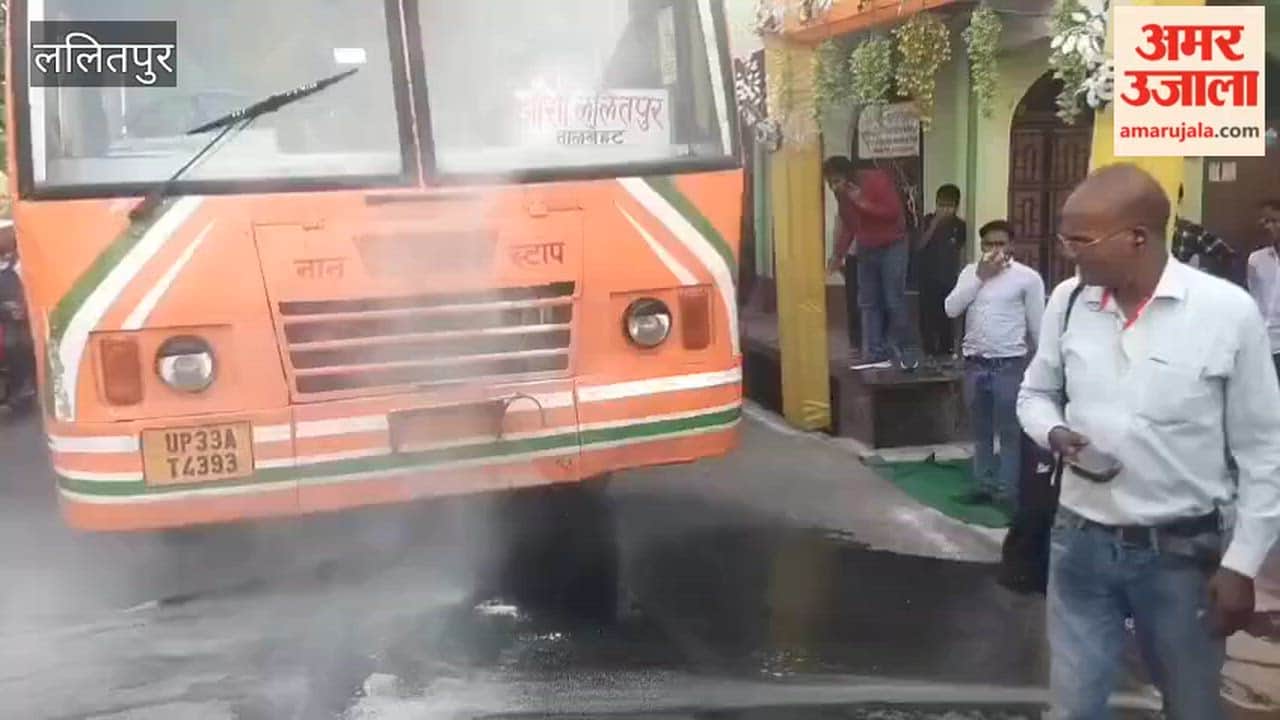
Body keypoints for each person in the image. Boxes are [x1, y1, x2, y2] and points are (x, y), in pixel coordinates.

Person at [1017, 163, 1280, 720]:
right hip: (1079, 545)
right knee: (1073, 710)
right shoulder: (1068, 303)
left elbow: (1264, 450)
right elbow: (1034, 395)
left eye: (1081, 240)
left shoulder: (1225, 312)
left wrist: (1242, 565)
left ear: (1138, 237)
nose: (1069, 253)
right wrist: (1055, 432)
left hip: (1182, 558)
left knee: (1191, 708)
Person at [944, 220, 1045, 510]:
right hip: (975, 364)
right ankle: (983, 484)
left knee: (1009, 431)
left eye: (1000, 244)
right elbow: (951, 308)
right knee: (980, 430)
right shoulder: (970, 273)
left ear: (1011, 246)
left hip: (1008, 365)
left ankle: (1006, 490)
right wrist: (979, 277)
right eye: (988, 244)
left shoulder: (1027, 279)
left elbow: (1038, 326)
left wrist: (1040, 367)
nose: (994, 250)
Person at [823, 156, 917, 371]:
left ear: (849, 176)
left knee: (893, 298)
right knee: (868, 301)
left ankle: (906, 350)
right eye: (830, 183)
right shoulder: (842, 194)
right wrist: (838, 255)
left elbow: (892, 213)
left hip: (893, 243)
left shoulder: (877, 180)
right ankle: (875, 353)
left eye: (836, 181)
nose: (834, 187)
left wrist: (861, 202)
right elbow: (849, 225)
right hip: (867, 246)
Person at [916, 184, 967, 360]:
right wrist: (934, 225)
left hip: (948, 278)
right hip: (927, 278)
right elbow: (919, 245)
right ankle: (928, 351)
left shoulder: (960, 226)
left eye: (949, 206)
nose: (944, 209)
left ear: (956, 207)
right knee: (927, 316)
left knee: (946, 317)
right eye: (941, 205)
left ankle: (946, 351)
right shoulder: (927, 220)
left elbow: (961, 252)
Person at [1246, 198, 1280, 382]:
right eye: (1265, 221)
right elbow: (1255, 298)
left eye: (1274, 221)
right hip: (1262, 345)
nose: (1268, 227)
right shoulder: (1256, 260)